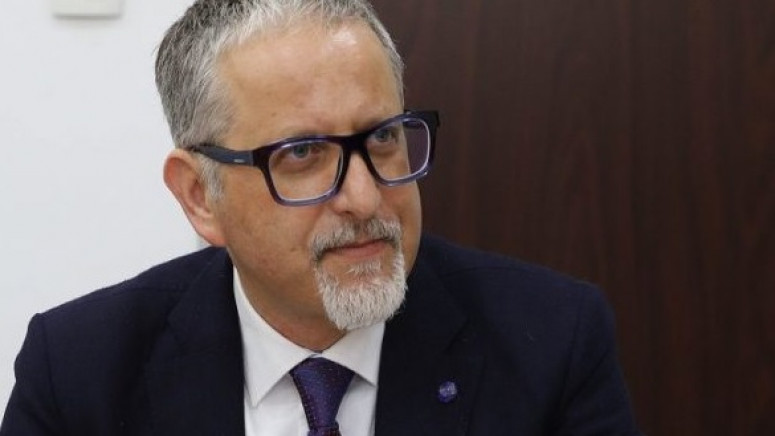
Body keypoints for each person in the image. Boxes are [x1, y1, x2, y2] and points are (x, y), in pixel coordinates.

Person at [0, 0, 640, 434]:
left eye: (382, 138)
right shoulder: (79, 373)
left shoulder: (550, 343)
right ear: (199, 196)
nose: (364, 198)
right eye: (303, 154)